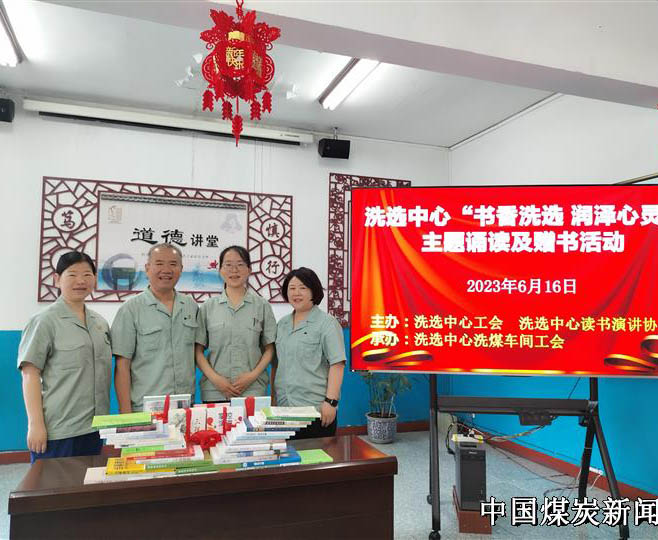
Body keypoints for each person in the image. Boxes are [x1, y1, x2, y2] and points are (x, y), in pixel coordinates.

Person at [18, 251, 112, 463]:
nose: (80, 281)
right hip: (59, 429)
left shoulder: (100, 323)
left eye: (87, 275)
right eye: (72, 274)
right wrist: (35, 424)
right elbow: (30, 374)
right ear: (57, 279)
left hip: (95, 427)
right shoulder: (44, 321)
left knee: (86, 482)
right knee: (51, 483)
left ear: (95, 279)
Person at [112, 243, 198, 412]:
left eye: (173, 264)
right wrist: (126, 415)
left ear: (181, 269)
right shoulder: (131, 309)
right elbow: (122, 366)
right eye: (159, 263)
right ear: (147, 268)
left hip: (185, 407)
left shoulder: (191, 306)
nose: (166, 270)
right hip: (146, 409)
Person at [195, 245, 276, 402]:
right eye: (228, 265)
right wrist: (216, 379)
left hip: (253, 389)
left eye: (240, 264)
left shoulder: (262, 306)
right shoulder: (208, 307)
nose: (234, 270)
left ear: (249, 270)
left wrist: (251, 376)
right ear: (220, 270)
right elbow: (198, 351)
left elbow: (270, 349)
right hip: (215, 391)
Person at [272, 267, 346, 439]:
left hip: (315, 409)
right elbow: (277, 364)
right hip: (284, 408)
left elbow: (337, 365)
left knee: (315, 454)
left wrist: (331, 402)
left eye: (303, 288)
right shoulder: (282, 324)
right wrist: (273, 399)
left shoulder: (327, 323)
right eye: (292, 288)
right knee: (287, 455)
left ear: (314, 291)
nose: (296, 293)